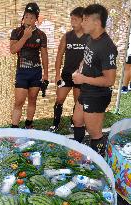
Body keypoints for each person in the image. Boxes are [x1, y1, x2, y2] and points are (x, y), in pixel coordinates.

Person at [72, 4, 118, 157]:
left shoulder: (107, 46)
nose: (81, 23)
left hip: (98, 94)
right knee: (77, 120)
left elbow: (109, 80)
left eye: (85, 20)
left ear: (97, 23)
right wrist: (81, 67)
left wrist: (83, 78)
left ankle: (96, 163)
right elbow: (88, 58)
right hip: (86, 88)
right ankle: (78, 151)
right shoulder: (91, 38)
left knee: (94, 132)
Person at [49, 7, 89, 133]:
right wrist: (57, 75)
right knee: (59, 99)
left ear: (83, 20)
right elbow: (59, 55)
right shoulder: (67, 36)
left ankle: (73, 122)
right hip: (66, 75)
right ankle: (55, 124)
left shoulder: (89, 37)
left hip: (80, 76)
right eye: (71, 19)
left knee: (78, 101)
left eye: (75, 20)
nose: (72, 22)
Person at [10, 2, 48, 129]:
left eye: (32, 17)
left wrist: (46, 74)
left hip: (36, 72)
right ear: (23, 17)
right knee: (19, 102)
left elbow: (44, 55)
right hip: (22, 72)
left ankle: (28, 124)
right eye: (26, 16)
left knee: (32, 100)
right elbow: (13, 50)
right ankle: (14, 128)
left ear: (36, 19)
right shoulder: (16, 32)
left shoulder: (41, 35)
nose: (28, 19)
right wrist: (25, 37)